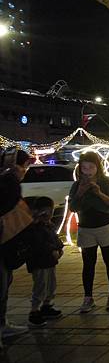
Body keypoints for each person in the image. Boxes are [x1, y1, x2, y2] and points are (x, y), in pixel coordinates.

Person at [68, 152, 109, 313]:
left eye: (91, 167)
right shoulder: (77, 185)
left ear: (97, 168)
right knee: (88, 263)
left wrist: (99, 193)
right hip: (86, 226)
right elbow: (73, 207)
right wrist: (80, 192)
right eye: (84, 168)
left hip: (106, 225)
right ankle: (88, 297)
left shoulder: (107, 182)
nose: (88, 171)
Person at [0, 148, 35, 348]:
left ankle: (3, 324)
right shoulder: (9, 181)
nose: (25, 170)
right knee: (2, 285)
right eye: (25, 166)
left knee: (4, 283)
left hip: (6, 240)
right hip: (4, 240)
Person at [25, 196, 64, 328]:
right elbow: (38, 243)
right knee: (40, 285)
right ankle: (34, 311)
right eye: (45, 211)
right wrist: (52, 249)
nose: (49, 214)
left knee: (51, 284)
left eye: (51, 211)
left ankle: (47, 305)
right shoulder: (34, 227)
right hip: (39, 261)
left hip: (50, 261)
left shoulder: (48, 225)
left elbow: (55, 238)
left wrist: (59, 247)